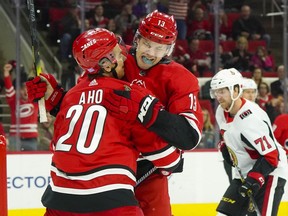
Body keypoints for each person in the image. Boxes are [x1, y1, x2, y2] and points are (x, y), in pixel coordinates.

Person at [27, 10, 204, 216]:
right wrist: (56, 99)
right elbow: (89, 109)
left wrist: (148, 113)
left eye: (160, 48)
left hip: (148, 170)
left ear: (170, 49)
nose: (151, 53)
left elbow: (189, 137)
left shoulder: (181, 78)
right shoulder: (113, 55)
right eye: (147, 44)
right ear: (137, 39)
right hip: (110, 162)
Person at [211, 68, 288, 216]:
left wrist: (254, 179)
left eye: (222, 91)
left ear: (235, 90)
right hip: (244, 173)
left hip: (270, 173)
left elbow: (272, 157)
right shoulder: (221, 111)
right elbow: (228, 134)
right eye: (216, 91)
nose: (218, 96)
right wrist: (224, 146)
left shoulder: (252, 118)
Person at [3, 63, 39, 151]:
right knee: (13, 163)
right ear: (17, 90)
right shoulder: (13, 101)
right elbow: (9, 88)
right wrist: (6, 73)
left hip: (31, 139)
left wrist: (38, 70)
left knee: (32, 163)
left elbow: (43, 84)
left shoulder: (35, 101)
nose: (25, 91)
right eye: (22, 89)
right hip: (15, 138)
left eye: (27, 89)